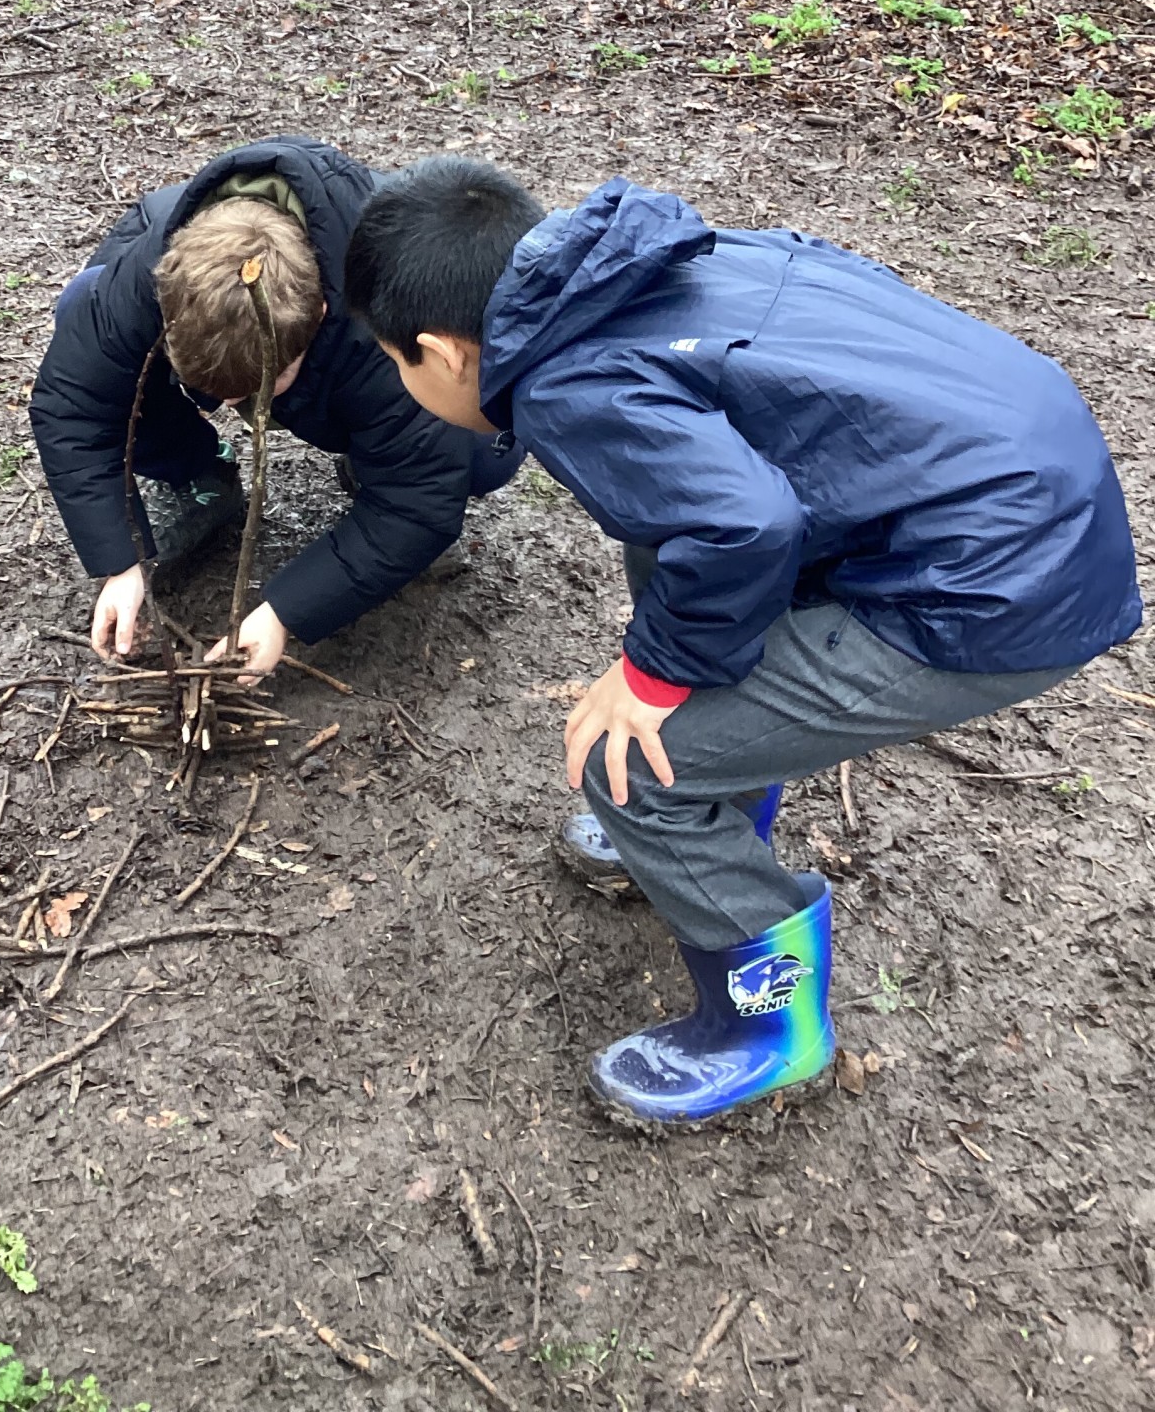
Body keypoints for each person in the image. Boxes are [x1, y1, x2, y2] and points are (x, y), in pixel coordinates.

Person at [344, 156, 1142, 1132]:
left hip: (997, 585)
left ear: (445, 350)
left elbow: (745, 526)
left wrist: (651, 679)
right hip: (1018, 480)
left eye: (396, 362)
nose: (400, 379)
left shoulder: (565, 385)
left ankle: (771, 1025)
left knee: (636, 767)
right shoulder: (635, 266)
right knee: (662, 536)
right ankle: (719, 806)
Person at [29, 138, 521, 676]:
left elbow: (417, 502)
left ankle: (369, 464)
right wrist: (120, 561)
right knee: (84, 305)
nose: (231, 406)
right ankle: (201, 481)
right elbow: (74, 402)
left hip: (361, 365)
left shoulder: (390, 324)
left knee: (478, 450)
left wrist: (285, 613)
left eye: (263, 387)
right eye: (219, 393)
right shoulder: (156, 273)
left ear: (319, 315)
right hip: (220, 318)